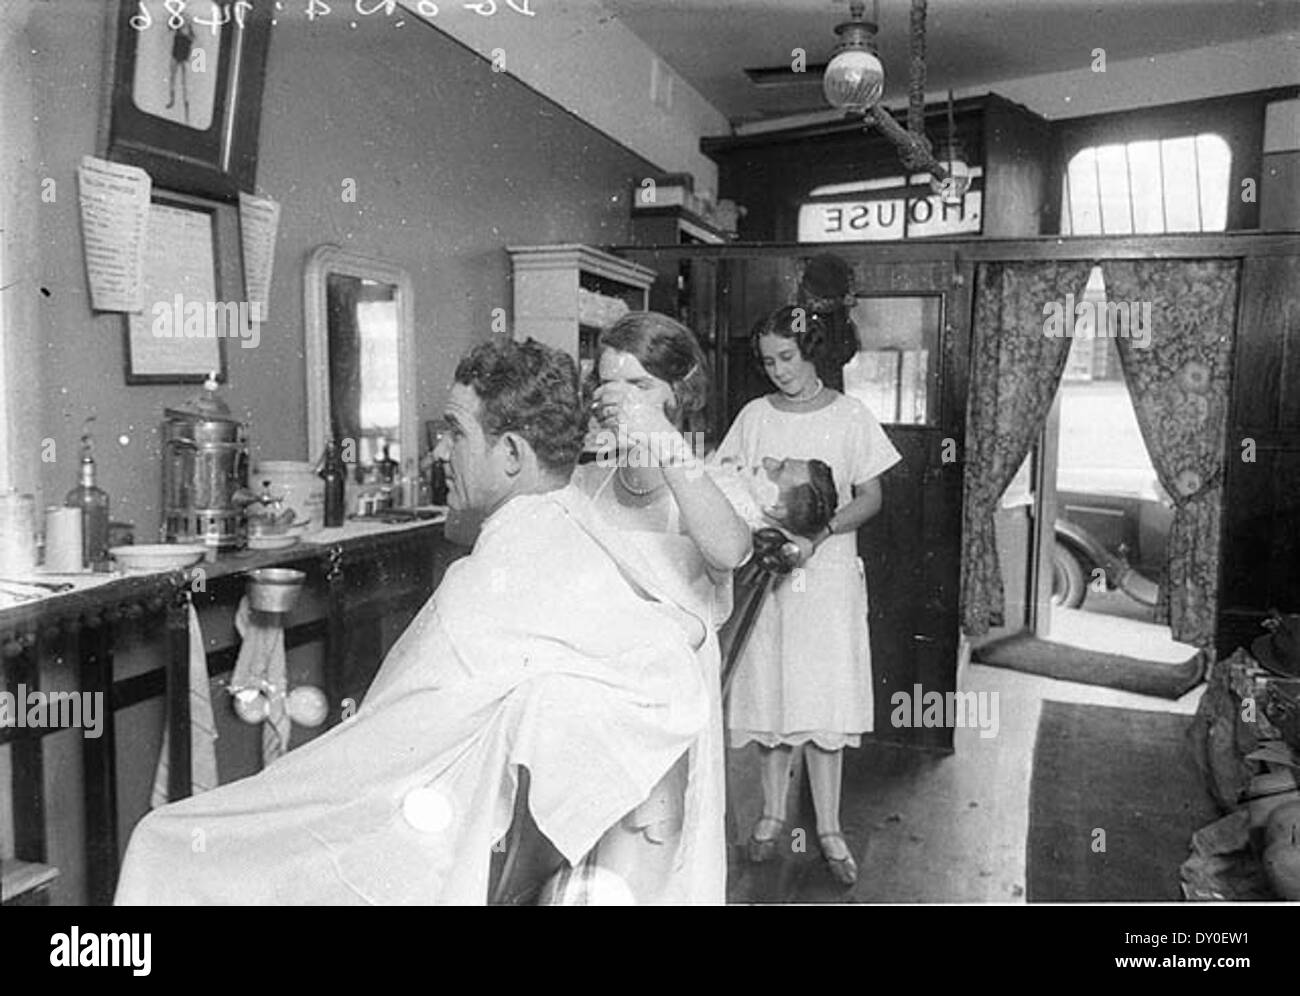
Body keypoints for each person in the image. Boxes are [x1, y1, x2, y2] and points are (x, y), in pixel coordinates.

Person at [115, 338, 718, 905]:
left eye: (455, 432)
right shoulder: (576, 538)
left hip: (407, 845)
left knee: (162, 837)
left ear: (511, 454)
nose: (437, 451)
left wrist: (264, 801)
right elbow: (677, 638)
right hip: (468, 836)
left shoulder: (489, 585)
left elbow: (363, 772)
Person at [560, 311, 750, 904]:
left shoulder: (713, 480)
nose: (620, 401)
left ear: (681, 392)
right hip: (595, 691)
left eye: (640, 386)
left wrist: (660, 439)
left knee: (646, 862)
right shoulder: (587, 482)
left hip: (669, 703)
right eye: (608, 384)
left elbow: (732, 549)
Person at [715, 305, 902, 886]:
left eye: (787, 358)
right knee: (771, 695)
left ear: (811, 349)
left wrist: (818, 535)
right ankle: (772, 814)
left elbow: (870, 497)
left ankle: (828, 827)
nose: (777, 371)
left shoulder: (850, 416)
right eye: (767, 361)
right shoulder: (753, 416)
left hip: (826, 573)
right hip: (766, 574)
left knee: (823, 699)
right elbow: (723, 481)